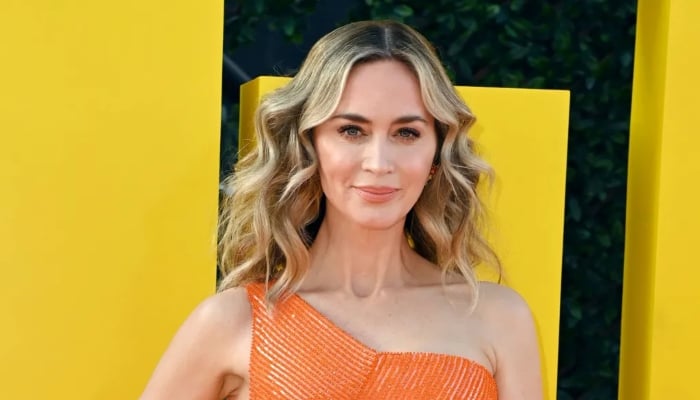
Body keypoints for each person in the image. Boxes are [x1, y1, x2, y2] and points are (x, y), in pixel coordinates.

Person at [140, 20, 542, 399]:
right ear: (309, 146)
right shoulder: (231, 322)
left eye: (407, 133)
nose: (379, 163)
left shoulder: (498, 318)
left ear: (436, 155)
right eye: (352, 130)